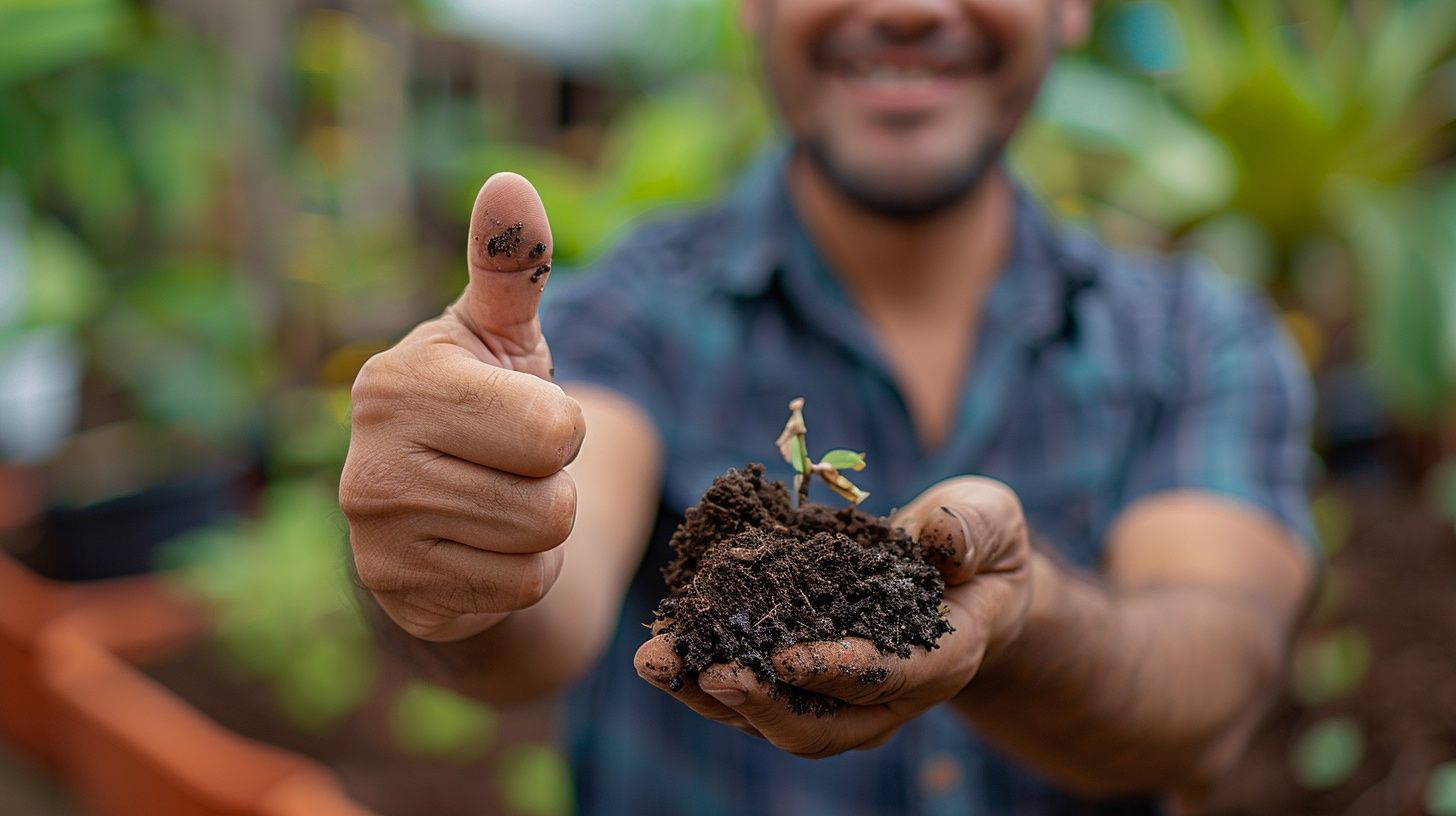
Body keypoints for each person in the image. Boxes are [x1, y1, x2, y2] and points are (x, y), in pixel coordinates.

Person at [340, 1, 1317, 813]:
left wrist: (1020, 625)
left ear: (1070, 9)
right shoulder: (626, 321)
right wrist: (460, 549)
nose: (905, 9)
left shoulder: (1196, 338)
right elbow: (542, 594)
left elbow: (1214, 685)